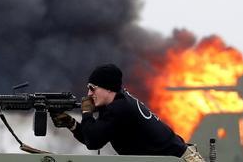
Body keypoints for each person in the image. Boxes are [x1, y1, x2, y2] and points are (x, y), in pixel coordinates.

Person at [52, 63, 204, 161]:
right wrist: (71, 124)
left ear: (108, 87)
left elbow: (93, 141)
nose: (89, 93)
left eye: (92, 88)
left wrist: (86, 112)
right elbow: (94, 136)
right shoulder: (118, 104)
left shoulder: (119, 108)